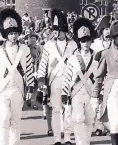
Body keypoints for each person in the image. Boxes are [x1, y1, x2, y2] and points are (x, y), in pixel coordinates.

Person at [0, 8, 35, 145]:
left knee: (15, 120)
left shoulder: (24, 50)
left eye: (15, 33)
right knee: (3, 119)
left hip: (18, 89)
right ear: (5, 34)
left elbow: (29, 71)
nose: (13, 36)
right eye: (10, 33)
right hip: (2, 89)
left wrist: (30, 88)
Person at [37, 9, 77, 145]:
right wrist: (41, 80)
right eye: (53, 30)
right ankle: (57, 137)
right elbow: (43, 64)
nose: (53, 33)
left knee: (68, 108)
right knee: (56, 109)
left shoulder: (73, 45)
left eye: (56, 30)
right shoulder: (48, 45)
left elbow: (77, 63)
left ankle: (67, 136)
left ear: (63, 30)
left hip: (69, 81)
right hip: (54, 81)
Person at [62, 17, 98, 145]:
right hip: (76, 94)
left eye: (87, 41)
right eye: (83, 41)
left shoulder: (97, 58)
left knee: (89, 120)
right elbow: (67, 78)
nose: (86, 44)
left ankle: (85, 142)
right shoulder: (72, 58)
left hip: (91, 93)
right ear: (79, 42)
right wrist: (65, 95)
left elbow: (100, 78)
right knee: (78, 119)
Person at [90, 15, 112, 136]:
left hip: (110, 75)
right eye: (106, 29)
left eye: (109, 29)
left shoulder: (115, 43)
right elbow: (93, 61)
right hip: (98, 74)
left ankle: (107, 125)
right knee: (97, 100)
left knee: (107, 101)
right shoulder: (96, 44)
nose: (108, 31)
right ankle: (98, 125)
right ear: (102, 31)